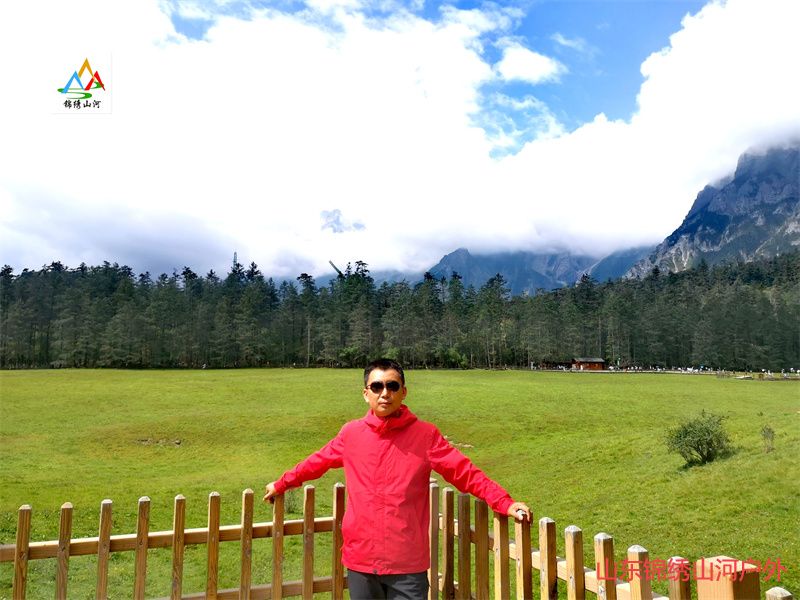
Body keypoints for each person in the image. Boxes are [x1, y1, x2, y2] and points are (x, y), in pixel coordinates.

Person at [263, 358, 531, 600]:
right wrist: (282, 483)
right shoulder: (351, 434)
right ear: (365, 394)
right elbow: (315, 463)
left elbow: (465, 472)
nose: (385, 393)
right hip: (361, 560)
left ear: (404, 392)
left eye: (392, 386)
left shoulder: (425, 435)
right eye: (377, 386)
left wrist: (504, 502)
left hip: (407, 564)